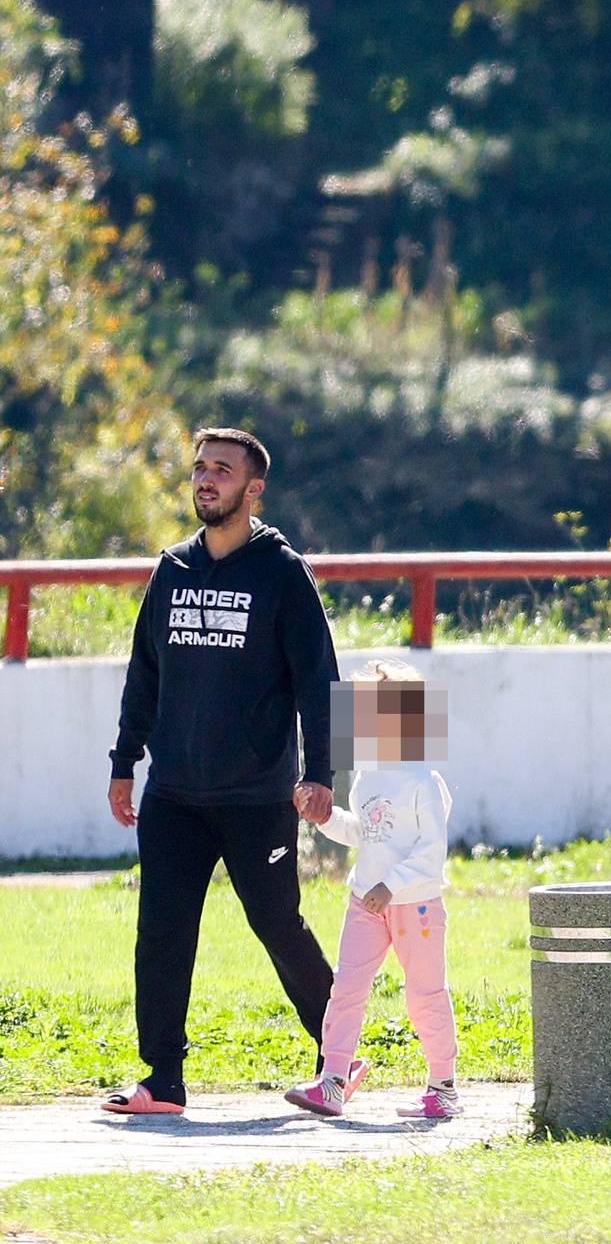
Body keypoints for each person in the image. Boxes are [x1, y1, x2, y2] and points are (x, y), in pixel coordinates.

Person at [103, 427, 340, 1115]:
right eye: (201, 468)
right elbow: (144, 673)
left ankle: (338, 1051)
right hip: (174, 790)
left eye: (222, 470)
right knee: (163, 929)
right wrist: (125, 761)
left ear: (253, 487)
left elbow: (318, 680)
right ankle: (163, 1079)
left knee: (277, 922)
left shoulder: (281, 572)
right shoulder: (171, 570)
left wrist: (322, 772)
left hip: (256, 793)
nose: (206, 479)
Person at [286, 660, 462, 1120]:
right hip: (366, 902)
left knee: (425, 993)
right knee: (346, 989)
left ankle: (442, 1086)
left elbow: (432, 850)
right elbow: (365, 833)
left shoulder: (425, 781)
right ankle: (333, 1082)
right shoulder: (366, 778)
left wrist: (392, 884)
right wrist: (327, 820)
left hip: (416, 907)